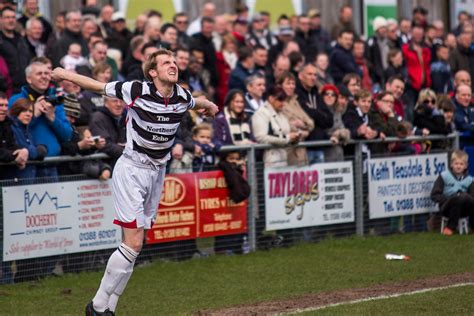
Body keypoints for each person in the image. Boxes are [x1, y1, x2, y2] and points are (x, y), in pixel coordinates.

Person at [51, 48, 218, 314]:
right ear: (153, 72)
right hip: (132, 169)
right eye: (166, 62)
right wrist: (62, 74)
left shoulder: (182, 95)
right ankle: (96, 307)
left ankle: (108, 308)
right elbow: (97, 85)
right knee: (134, 243)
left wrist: (208, 105)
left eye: (174, 61)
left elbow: (196, 102)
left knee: (136, 246)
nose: (173, 65)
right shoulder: (137, 89)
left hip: (158, 172)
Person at [251, 86, 299, 167]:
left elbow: (286, 133)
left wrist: (294, 138)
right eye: (280, 99)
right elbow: (261, 137)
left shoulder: (281, 113)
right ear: (271, 98)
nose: (282, 103)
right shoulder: (261, 113)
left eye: (284, 100)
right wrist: (287, 138)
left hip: (283, 158)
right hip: (268, 160)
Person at [431, 150, 474, 236]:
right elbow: (434, 195)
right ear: (451, 164)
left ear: (465, 166)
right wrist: (448, 199)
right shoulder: (444, 176)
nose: (458, 166)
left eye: (461, 164)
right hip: (447, 207)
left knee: (465, 197)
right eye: (456, 164)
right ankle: (450, 227)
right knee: (458, 197)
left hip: (464, 208)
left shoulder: (470, 180)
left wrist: (462, 196)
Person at [278, 71, 313, 166]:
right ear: (280, 85)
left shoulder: (295, 101)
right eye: (288, 83)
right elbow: (283, 125)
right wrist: (302, 131)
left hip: (301, 150)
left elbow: (310, 123)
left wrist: (303, 124)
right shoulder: (277, 103)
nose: (291, 86)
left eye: (293, 84)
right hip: (287, 150)